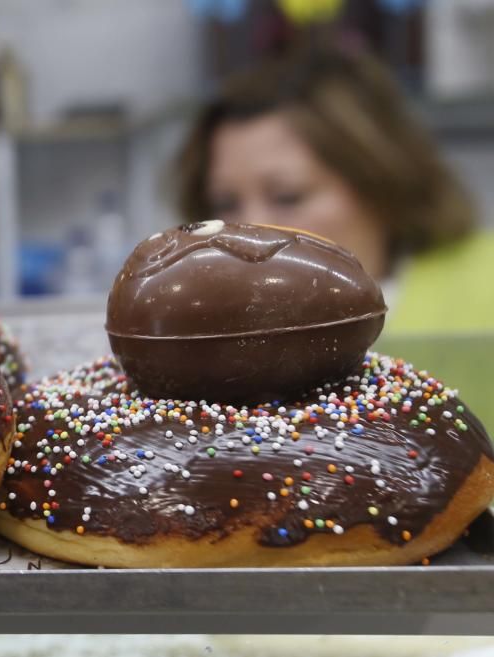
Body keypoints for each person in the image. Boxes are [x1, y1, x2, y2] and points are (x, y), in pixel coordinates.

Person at [172, 45, 494, 421]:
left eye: (288, 196)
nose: (251, 229)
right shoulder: (200, 336)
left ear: (379, 181)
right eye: (227, 203)